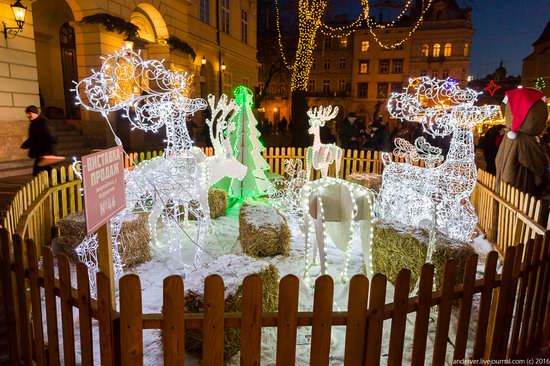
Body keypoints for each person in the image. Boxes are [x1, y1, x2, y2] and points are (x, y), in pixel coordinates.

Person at [20, 105, 58, 176]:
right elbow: (34, 137)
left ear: (34, 113)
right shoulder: (33, 123)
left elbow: (52, 137)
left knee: (39, 172)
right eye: (27, 113)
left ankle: (67, 181)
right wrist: (26, 144)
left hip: (45, 153)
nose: (28, 115)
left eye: (29, 113)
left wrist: (52, 153)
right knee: (48, 171)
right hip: (39, 153)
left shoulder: (44, 122)